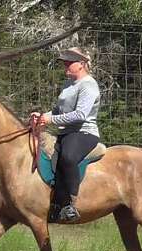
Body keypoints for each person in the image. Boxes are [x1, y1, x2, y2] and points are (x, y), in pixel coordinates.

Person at [31, 47, 101, 223]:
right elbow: (58, 110)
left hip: (84, 132)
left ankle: (70, 204)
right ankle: (55, 204)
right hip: (66, 131)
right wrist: (42, 116)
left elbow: (80, 115)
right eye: (65, 63)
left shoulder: (88, 85)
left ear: (82, 64)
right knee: (52, 157)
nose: (66, 66)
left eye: (70, 63)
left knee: (68, 157)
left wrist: (50, 119)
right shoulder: (68, 84)